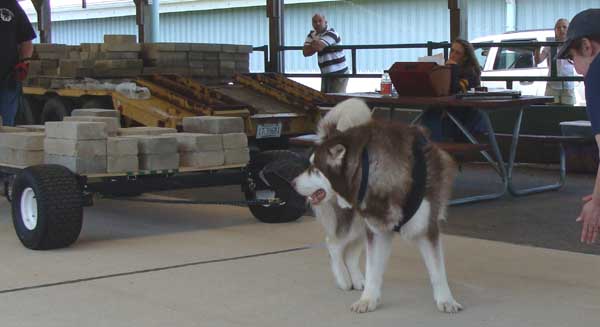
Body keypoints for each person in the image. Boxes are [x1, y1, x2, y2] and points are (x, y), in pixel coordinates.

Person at [557, 9, 600, 244]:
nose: (576, 69)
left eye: (573, 59)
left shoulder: (597, 74)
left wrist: (597, 203)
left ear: (586, 46)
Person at [421, 38, 483, 142]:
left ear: (465, 58)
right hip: (445, 109)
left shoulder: (471, 73)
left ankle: (436, 147)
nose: (452, 55)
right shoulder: (446, 69)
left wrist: (453, 68)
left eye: (457, 53)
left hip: (462, 113)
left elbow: (455, 89)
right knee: (430, 112)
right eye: (452, 51)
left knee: (434, 114)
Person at [0, 0, 36, 126]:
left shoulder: (10, 5)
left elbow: (26, 41)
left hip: (8, 78)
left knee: (6, 125)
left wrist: (24, 62)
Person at [303, 13, 348, 94]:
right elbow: (305, 52)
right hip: (326, 73)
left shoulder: (332, 33)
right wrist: (316, 43)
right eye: (314, 21)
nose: (317, 23)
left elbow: (319, 47)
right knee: (325, 98)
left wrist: (313, 42)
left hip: (339, 73)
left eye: (320, 21)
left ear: (325, 22)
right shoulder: (311, 34)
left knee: (336, 99)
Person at [535, 18, 577, 105]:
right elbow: (538, 61)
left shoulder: (573, 45)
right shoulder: (550, 45)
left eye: (564, 27)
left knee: (569, 112)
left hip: (568, 85)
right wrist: (537, 49)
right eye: (558, 28)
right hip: (552, 84)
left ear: (569, 29)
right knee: (551, 112)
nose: (561, 29)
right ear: (555, 31)